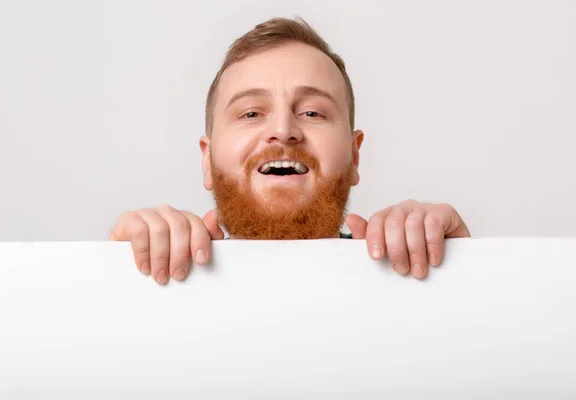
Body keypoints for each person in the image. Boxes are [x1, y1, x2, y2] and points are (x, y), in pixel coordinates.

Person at [110, 17, 471, 284]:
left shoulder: (420, 269)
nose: (283, 131)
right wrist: (110, 272)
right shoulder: (144, 273)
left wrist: (466, 269)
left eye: (312, 112)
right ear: (207, 159)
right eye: (251, 113)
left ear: (355, 154)